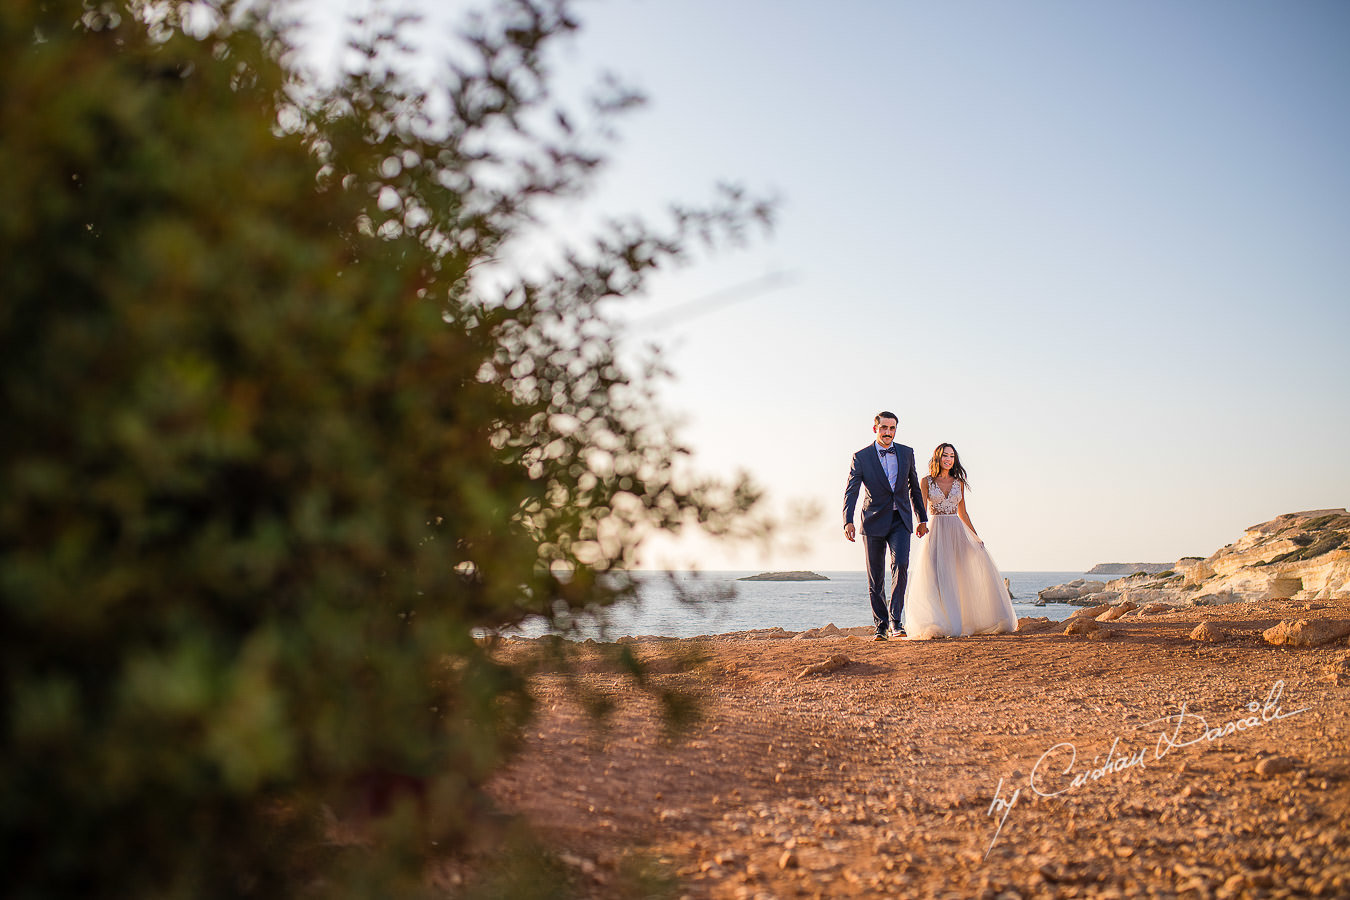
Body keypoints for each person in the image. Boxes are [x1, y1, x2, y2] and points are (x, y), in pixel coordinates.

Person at [902, 443, 1018, 639]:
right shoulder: (926, 481)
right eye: (945, 455)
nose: (948, 459)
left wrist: (975, 536)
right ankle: (941, 622)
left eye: (951, 456)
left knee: (958, 577)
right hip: (935, 531)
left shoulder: (959, 483)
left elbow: (963, 512)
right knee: (936, 578)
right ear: (937, 458)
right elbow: (920, 507)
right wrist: (920, 524)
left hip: (956, 532)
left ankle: (963, 621)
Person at [843, 411, 929, 641]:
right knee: (876, 577)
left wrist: (922, 518)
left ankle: (896, 621)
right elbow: (852, 491)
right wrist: (847, 521)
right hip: (872, 522)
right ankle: (881, 625)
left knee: (901, 564)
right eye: (884, 428)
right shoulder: (861, 457)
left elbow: (914, 487)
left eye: (892, 428)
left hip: (900, 520)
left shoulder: (906, 453)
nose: (888, 432)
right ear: (875, 429)